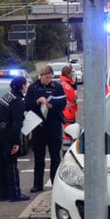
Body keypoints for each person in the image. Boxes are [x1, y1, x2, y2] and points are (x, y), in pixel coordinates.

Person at [25, 64, 66, 193]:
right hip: (38, 126)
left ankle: (55, 183)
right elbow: (27, 105)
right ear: (41, 76)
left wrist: (51, 106)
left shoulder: (57, 87)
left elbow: (63, 103)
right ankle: (37, 184)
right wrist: (37, 102)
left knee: (55, 157)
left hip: (53, 125)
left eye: (51, 77)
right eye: (47, 77)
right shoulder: (33, 87)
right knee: (39, 157)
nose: (49, 80)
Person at [0, 75, 29, 202]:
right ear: (22, 86)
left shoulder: (8, 96)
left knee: (1, 164)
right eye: (26, 84)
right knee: (11, 163)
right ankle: (15, 193)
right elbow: (17, 124)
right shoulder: (17, 101)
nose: (27, 86)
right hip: (7, 133)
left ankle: (3, 193)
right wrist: (16, 143)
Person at [59, 63, 78, 128]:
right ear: (68, 74)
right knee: (69, 130)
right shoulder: (66, 85)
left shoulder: (66, 83)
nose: (72, 74)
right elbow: (73, 97)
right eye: (71, 73)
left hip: (68, 110)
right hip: (68, 111)